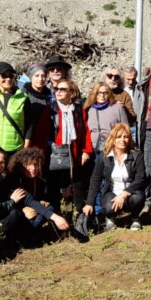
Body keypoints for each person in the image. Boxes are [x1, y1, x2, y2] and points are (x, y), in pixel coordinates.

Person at [85, 123, 147, 231]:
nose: (122, 140)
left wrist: (124, 194)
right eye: (119, 137)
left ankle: (135, 218)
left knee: (138, 198)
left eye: (126, 137)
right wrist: (90, 203)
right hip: (112, 192)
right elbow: (96, 179)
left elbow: (140, 178)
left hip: (130, 193)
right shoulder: (104, 156)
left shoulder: (137, 155)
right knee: (108, 207)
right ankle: (110, 218)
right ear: (113, 139)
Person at [49, 79, 93, 213]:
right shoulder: (51, 109)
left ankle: (78, 214)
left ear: (72, 93)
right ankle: (56, 215)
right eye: (57, 89)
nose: (59, 92)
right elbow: (43, 131)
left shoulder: (79, 110)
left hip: (75, 152)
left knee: (78, 183)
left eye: (63, 89)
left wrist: (86, 151)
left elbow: (86, 131)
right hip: (56, 153)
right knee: (55, 185)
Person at [6, 149, 69, 232]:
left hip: (32, 211)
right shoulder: (15, 180)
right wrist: (55, 217)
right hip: (18, 214)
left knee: (50, 207)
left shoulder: (39, 181)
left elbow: (47, 196)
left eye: (35, 164)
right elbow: (29, 200)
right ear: (21, 166)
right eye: (28, 165)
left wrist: (63, 195)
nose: (33, 168)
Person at [84, 82, 128, 156]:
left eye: (105, 93)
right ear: (94, 93)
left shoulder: (118, 108)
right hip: (92, 150)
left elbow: (126, 129)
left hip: (112, 148)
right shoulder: (89, 110)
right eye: (99, 93)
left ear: (109, 94)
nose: (102, 95)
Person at [21, 63, 53, 152]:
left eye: (43, 76)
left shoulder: (50, 95)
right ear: (31, 77)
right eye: (37, 76)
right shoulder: (23, 94)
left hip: (44, 137)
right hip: (26, 136)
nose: (40, 79)